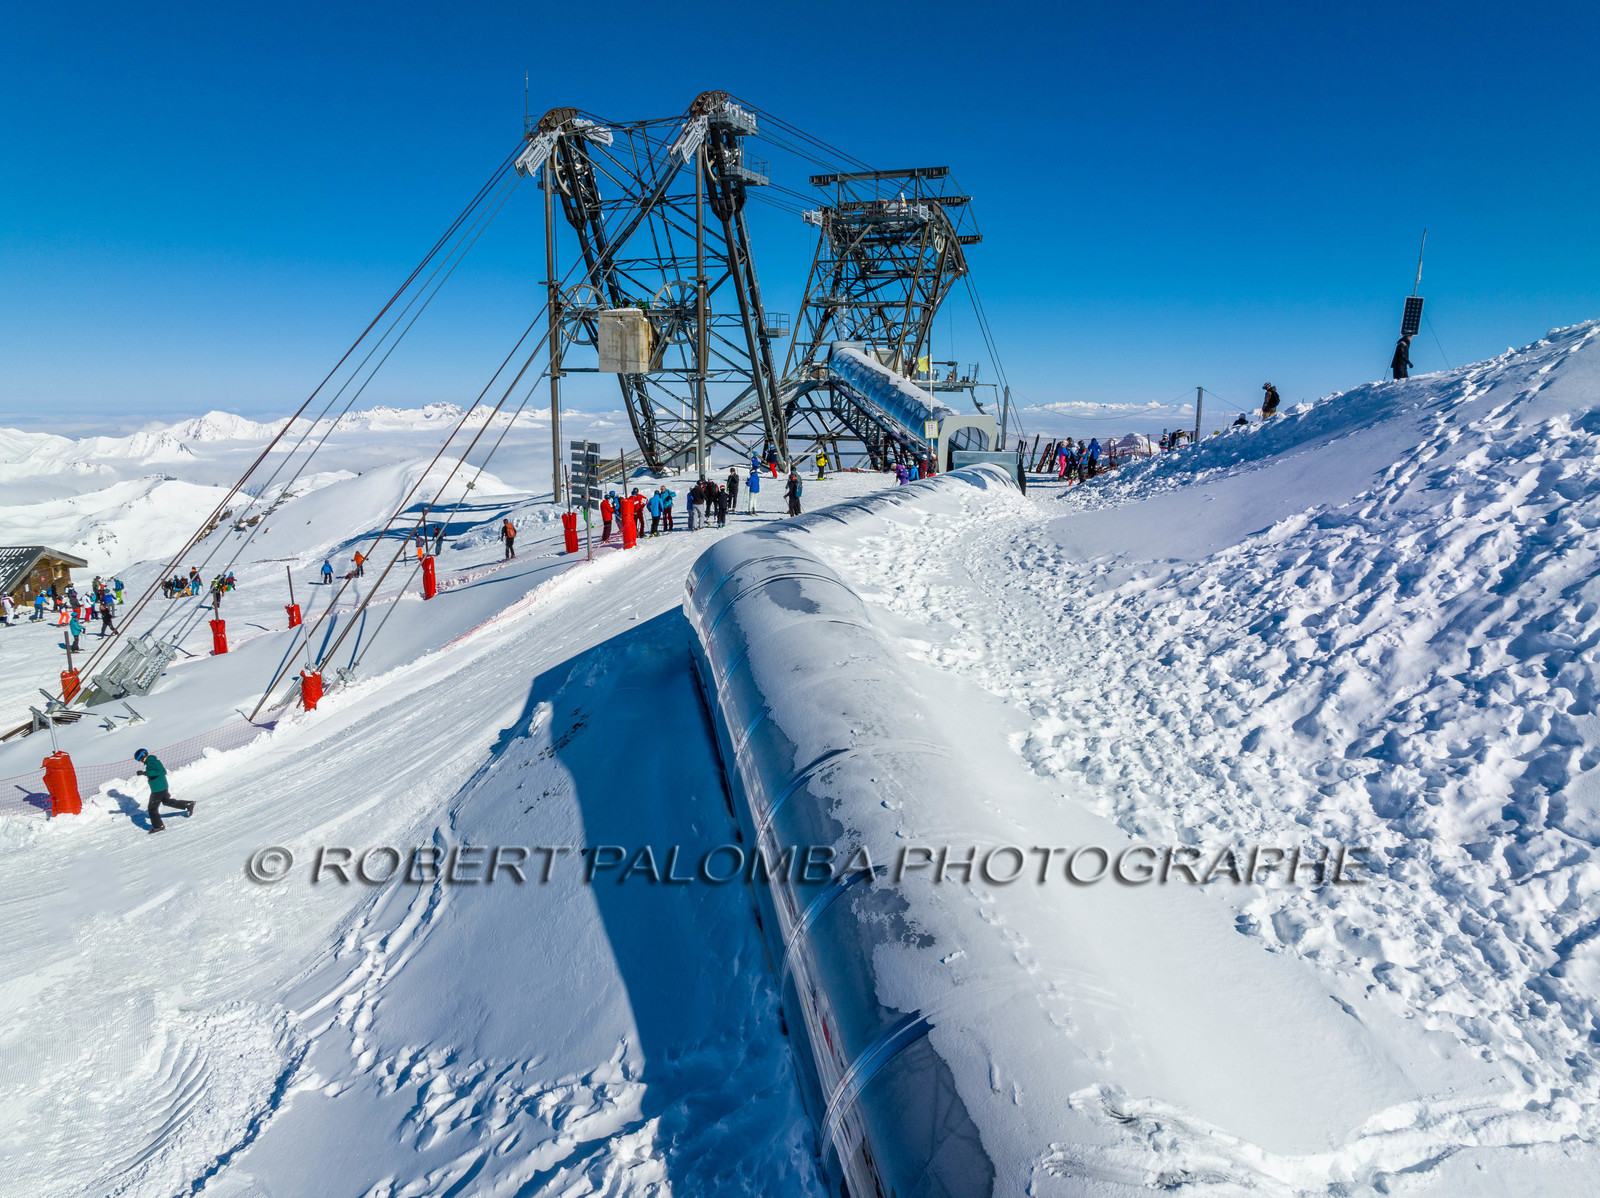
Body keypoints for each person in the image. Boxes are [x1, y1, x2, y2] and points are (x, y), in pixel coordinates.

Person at [135, 748, 193, 834]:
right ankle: (188, 805)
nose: (140, 761)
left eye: (139, 759)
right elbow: (156, 772)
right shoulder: (152, 761)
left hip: (158, 789)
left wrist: (146, 773)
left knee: (152, 809)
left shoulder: (152, 762)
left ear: (143, 756)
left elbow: (161, 772)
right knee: (166, 801)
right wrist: (145, 773)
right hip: (161, 786)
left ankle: (158, 826)